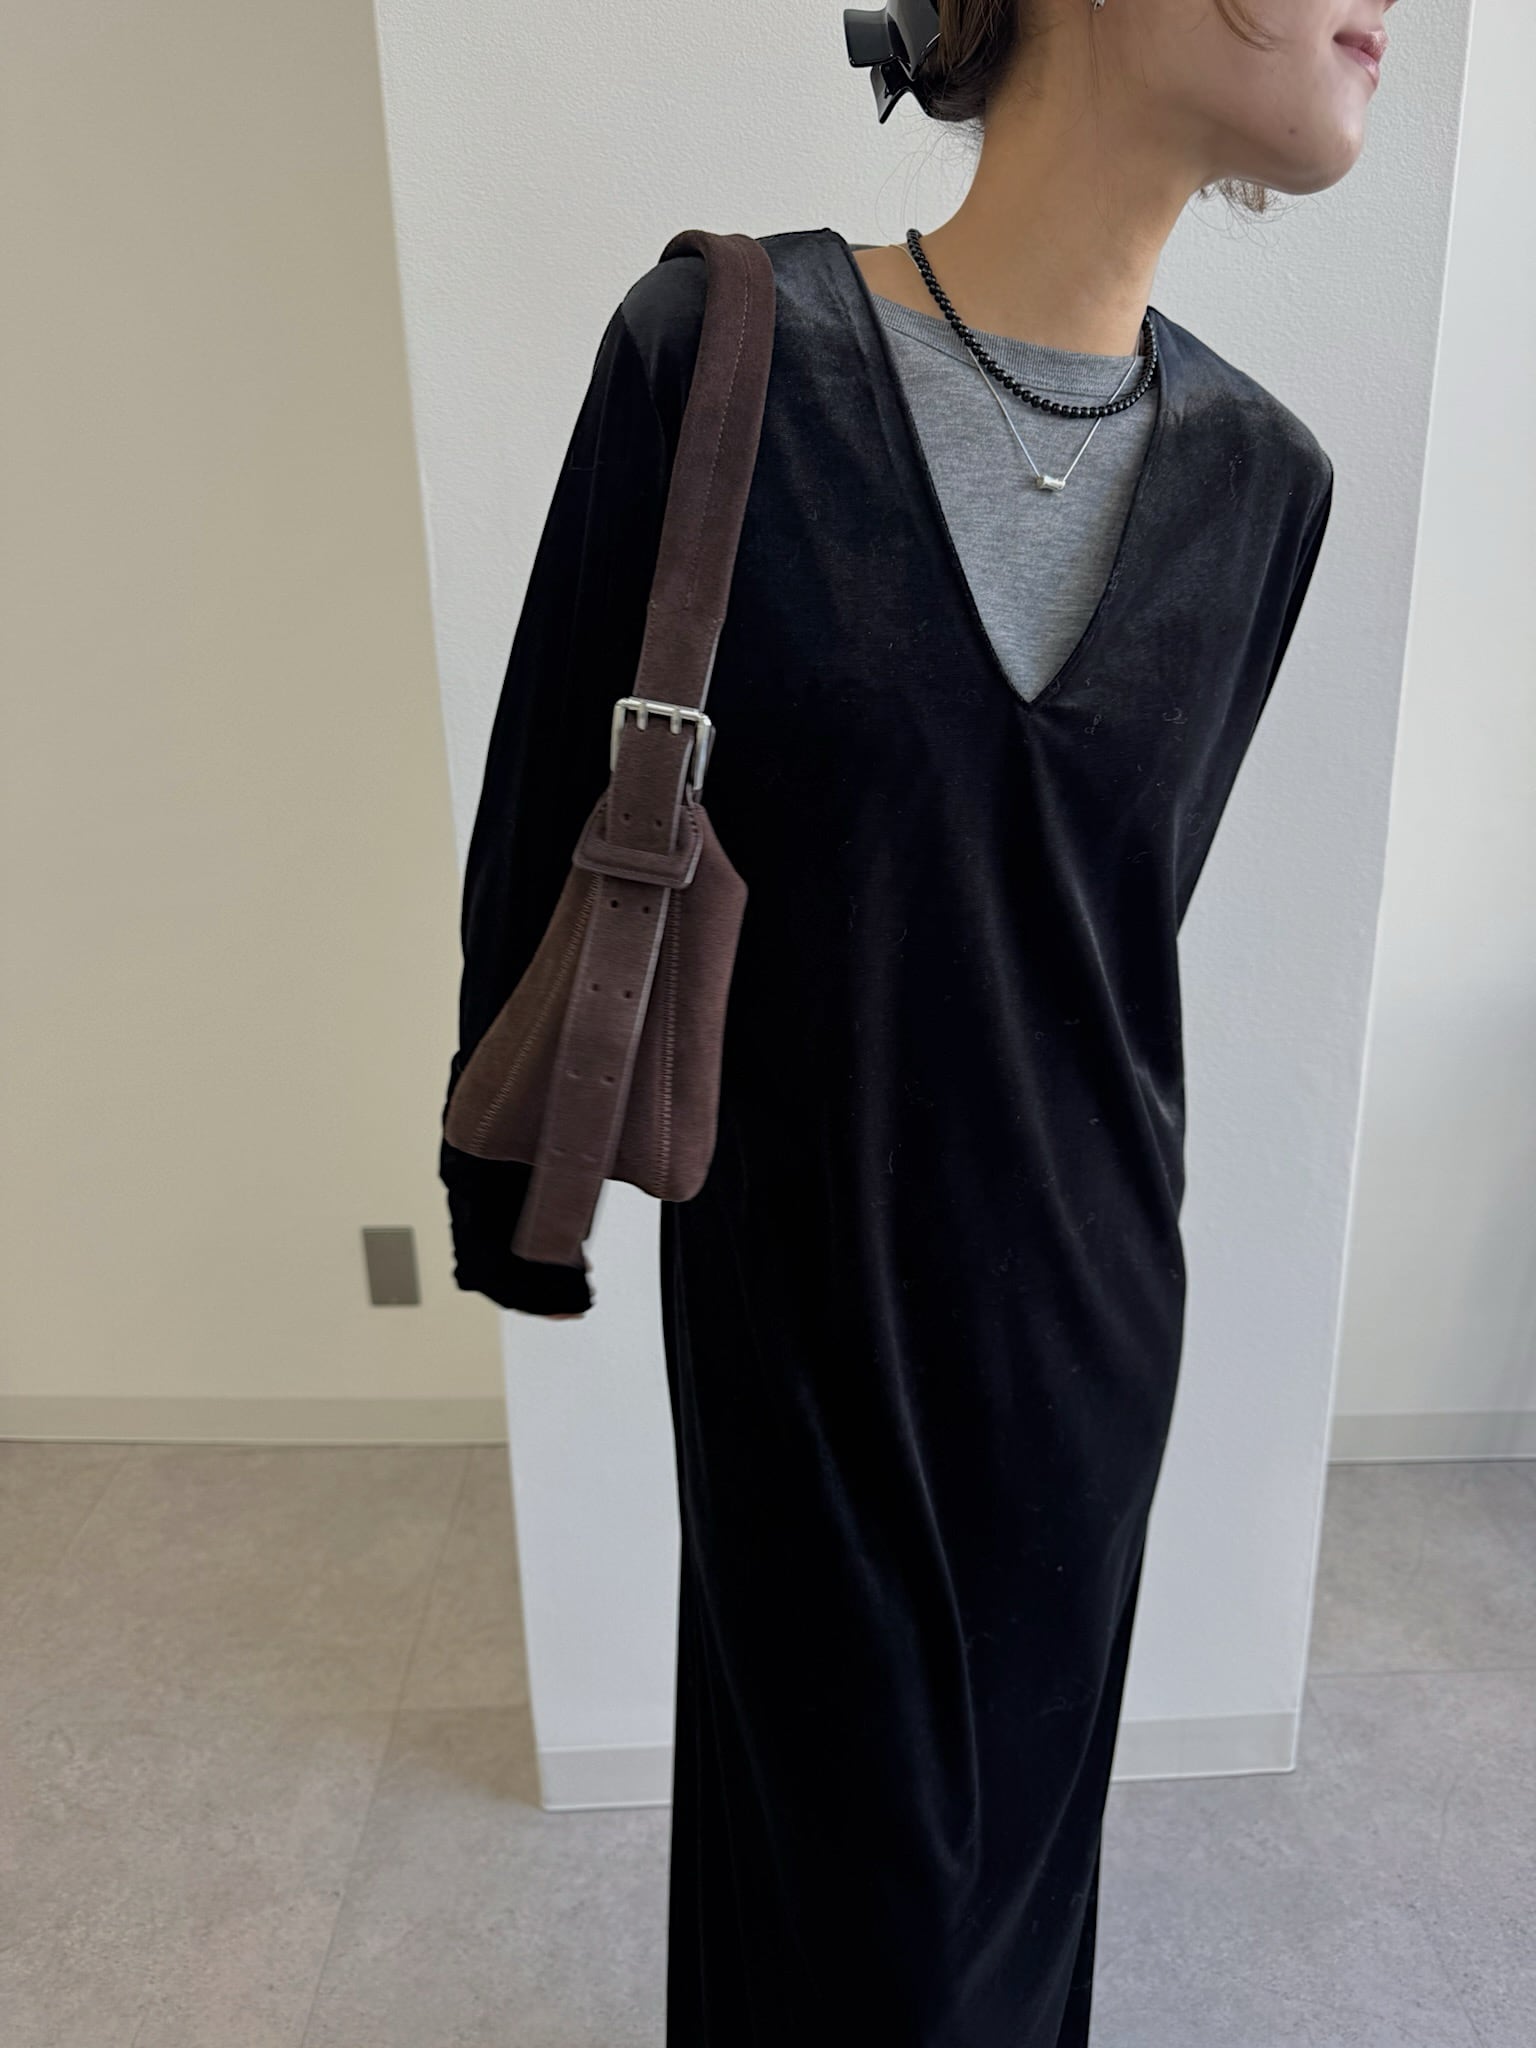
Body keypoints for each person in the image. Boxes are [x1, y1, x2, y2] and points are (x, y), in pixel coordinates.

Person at [440, 2, 1389, 2041]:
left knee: (1017, 1906)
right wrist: (501, 1186)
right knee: (847, 1921)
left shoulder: (1266, 484)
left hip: (1089, 1334)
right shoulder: (718, 357)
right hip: (801, 1317)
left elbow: (1093, 937)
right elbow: (543, 812)